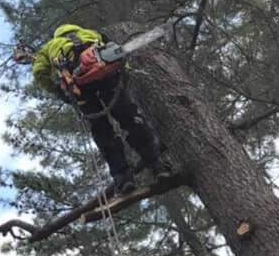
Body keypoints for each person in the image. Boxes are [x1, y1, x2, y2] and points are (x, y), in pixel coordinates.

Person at [15, 23, 173, 195]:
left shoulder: (50, 46)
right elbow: (118, 54)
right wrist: (123, 74)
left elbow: (39, 72)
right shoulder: (92, 33)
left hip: (80, 89)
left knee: (102, 130)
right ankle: (157, 165)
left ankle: (123, 177)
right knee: (130, 118)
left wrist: (59, 92)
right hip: (107, 77)